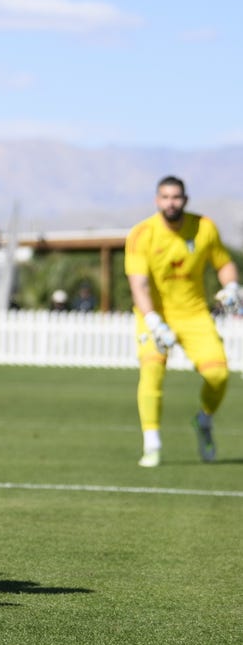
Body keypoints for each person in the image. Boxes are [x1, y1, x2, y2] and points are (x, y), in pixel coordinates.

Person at [124, 175, 241, 468]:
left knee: (219, 376)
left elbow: (224, 263)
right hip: (154, 316)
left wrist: (232, 287)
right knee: (152, 373)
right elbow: (138, 284)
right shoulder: (142, 234)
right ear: (156, 200)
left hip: (195, 315)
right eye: (165, 197)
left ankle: (203, 420)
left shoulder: (204, 227)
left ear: (185, 200)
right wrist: (153, 321)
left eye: (176, 197)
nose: (170, 203)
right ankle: (152, 443)